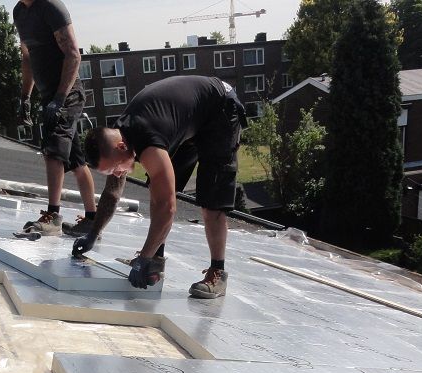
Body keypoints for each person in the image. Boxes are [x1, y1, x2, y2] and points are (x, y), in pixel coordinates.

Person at [72, 76, 247, 299]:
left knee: (211, 202)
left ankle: (217, 273)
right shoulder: (117, 136)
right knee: (157, 187)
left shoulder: (147, 141)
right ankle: (155, 258)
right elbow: (113, 192)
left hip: (220, 109)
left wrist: (142, 259)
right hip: (190, 121)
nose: (117, 173)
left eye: (115, 168)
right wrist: (93, 233)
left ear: (122, 147)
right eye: (110, 172)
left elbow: (167, 207)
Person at [13, 0, 97, 237]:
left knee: (52, 150)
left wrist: (60, 99)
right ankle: (92, 219)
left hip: (67, 93)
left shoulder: (51, 7)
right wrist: (25, 97)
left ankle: (53, 217)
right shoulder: (19, 12)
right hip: (49, 96)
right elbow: (27, 58)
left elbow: (73, 55)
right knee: (76, 161)